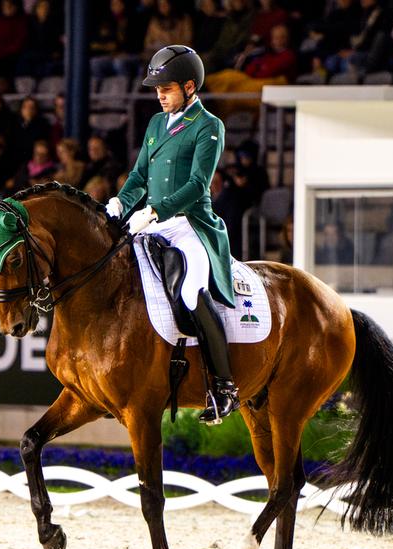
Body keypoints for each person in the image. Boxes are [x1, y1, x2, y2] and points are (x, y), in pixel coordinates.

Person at [107, 45, 238, 424]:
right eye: (156, 88)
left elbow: (199, 184)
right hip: (150, 221)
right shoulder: (153, 125)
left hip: (188, 225)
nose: (159, 94)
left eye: (166, 88)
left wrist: (153, 211)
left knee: (190, 292)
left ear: (190, 87)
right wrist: (120, 202)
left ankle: (224, 387)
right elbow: (138, 176)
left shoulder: (208, 126)